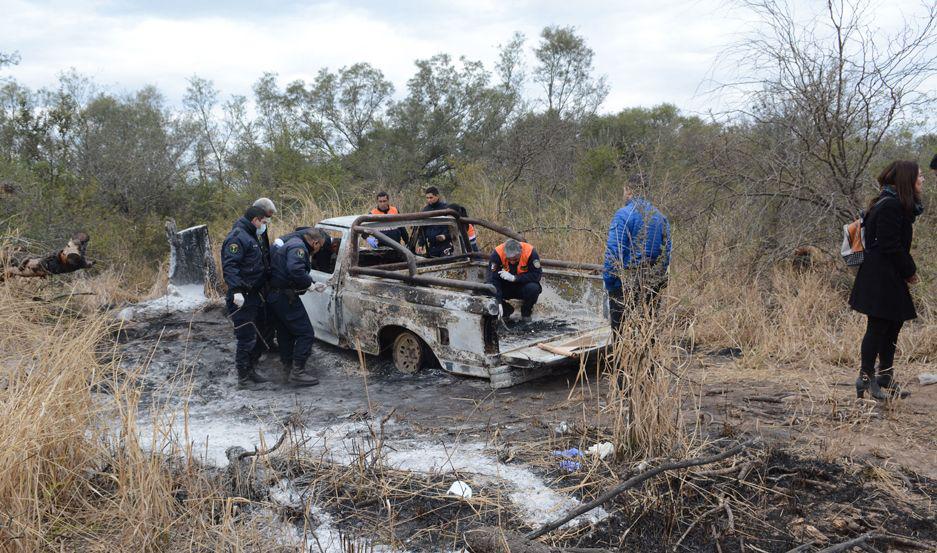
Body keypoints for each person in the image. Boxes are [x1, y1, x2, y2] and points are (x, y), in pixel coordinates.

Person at [849, 160, 925, 400]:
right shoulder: (890, 205)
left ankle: (885, 376)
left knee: (893, 324)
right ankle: (865, 377)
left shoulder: (893, 203)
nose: (922, 179)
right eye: (919, 176)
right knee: (878, 327)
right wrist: (909, 271)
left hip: (886, 276)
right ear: (907, 179)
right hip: (880, 278)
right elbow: (889, 245)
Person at [603, 178, 672, 336]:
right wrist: (659, 280)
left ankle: (622, 352)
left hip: (626, 281)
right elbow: (666, 253)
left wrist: (610, 282)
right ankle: (647, 351)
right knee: (648, 329)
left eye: (624, 190)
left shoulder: (624, 214)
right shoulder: (661, 217)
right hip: (653, 281)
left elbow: (614, 251)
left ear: (629, 190)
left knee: (620, 333)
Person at [268, 227, 329, 387]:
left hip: (276, 295)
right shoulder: (299, 247)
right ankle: (298, 372)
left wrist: (313, 283)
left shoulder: (293, 242)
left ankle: (287, 368)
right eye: (320, 246)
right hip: (285, 297)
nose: (319, 250)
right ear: (315, 243)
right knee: (306, 333)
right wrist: (310, 284)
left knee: (285, 333)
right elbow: (295, 270)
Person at [221, 206, 273, 389]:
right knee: (246, 337)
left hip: (254, 295)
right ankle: (243, 378)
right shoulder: (237, 237)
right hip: (241, 297)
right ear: (255, 220)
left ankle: (251, 370)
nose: (264, 225)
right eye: (263, 222)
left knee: (258, 334)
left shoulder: (251, 235)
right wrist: (236, 290)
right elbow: (230, 266)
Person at [487, 239, 543, 322]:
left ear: (521, 252)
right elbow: (493, 279)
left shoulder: (530, 252)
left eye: (515, 259)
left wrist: (515, 278)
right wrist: (498, 301)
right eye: (509, 259)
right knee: (486, 289)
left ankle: (526, 313)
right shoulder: (497, 253)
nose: (512, 262)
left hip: (522, 286)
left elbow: (537, 275)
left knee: (534, 288)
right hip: (504, 286)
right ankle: (506, 310)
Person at [252, 197, 278, 355]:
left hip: (265, 276)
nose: (267, 221)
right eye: (266, 217)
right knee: (258, 316)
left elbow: (265, 250)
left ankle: (268, 343)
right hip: (254, 280)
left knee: (269, 312)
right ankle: (258, 346)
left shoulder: (262, 229)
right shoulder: (245, 231)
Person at [420, 186, 453, 257]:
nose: (429, 200)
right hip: (432, 245)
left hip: (445, 244)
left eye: (431, 197)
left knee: (446, 261)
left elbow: (453, 227)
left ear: (437, 196)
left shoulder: (446, 208)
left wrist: (445, 236)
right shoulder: (425, 210)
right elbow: (423, 229)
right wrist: (421, 243)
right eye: (427, 198)